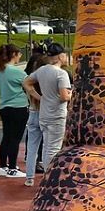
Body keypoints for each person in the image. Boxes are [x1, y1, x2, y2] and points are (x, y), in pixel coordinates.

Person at [23, 42, 72, 170]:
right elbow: (64, 96)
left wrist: (39, 97)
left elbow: (26, 83)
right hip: (57, 114)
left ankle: (46, 173)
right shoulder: (61, 74)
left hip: (44, 114)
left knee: (46, 147)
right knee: (54, 148)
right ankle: (50, 176)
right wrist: (73, 93)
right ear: (61, 56)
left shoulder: (41, 70)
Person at [0, 44, 29, 178]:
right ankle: (13, 168)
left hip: (4, 106)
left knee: (7, 136)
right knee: (15, 138)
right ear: (14, 54)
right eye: (19, 54)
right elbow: (29, 84)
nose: (20, 57)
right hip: (18, 106)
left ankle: (3, 166)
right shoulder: (17, 72)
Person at [21, 51, 47, 187]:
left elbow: (26, 87)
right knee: (49, 146)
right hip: (46, 114)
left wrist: (37, 97)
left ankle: (29, 177)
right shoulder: (48, 79)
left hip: (32, 112)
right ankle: (48, 175)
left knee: (31, 148)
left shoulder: (30, 80)